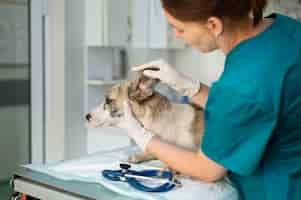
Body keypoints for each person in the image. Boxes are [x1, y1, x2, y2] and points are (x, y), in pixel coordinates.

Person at [117, 0, 301, 199]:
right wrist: (191, 88)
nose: (177, 35)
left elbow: (207, 169)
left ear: (213, 25)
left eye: (179, 29)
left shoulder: (243, 85)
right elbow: (253, 111)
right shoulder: (285, 28)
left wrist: (143, 137)